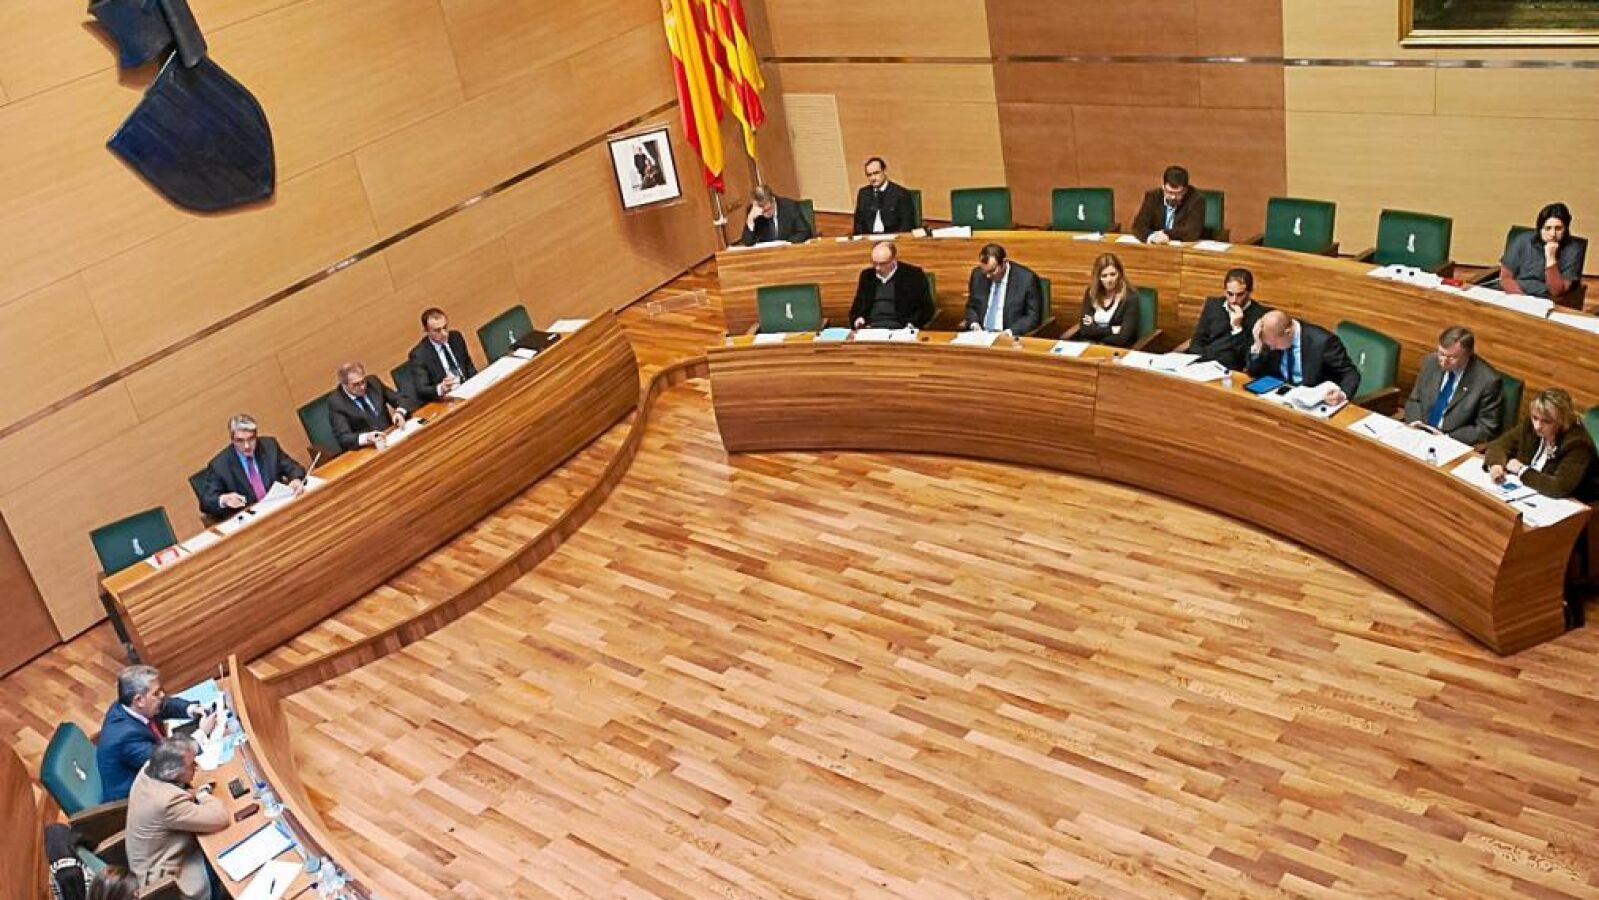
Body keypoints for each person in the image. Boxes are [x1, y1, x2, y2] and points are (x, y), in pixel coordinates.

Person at [126, 738, 228, 900]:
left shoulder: (149, 769)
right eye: (191, 765)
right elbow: (220, 818)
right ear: (174, 773)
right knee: (227, 851)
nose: (197, 767)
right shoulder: (166, 802)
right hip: (169, 880)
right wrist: (203, 794)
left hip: (156, 858)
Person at [96, 665, 213, 803]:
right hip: (135, 800)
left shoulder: (132, 705)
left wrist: (192, 709)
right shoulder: (125, 737)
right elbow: (168, 762)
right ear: (139, 700)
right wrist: (202, 733)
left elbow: (164, 705)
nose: (162, 695)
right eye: (156, 693)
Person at [1486, 388, 1597, 500]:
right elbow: (1498, 445)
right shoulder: (1531, 425)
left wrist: (1521, 470)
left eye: (1546, 421)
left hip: (1573, 503)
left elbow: (1558, 488)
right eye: (1535, 418)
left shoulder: (1578, 444)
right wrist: (1496, 465)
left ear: (1562, 421)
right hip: (1530, 492)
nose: (1537, 426)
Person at [1402, 326, 1504, 444]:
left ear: (1468, 354)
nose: (1443, 361)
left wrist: (1447, 438)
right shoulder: (1430, 362)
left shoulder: (1487, 381)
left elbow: (1485, 428)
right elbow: (1415, 400)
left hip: (1452, 442)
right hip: (1418, 432)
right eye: (1441, 353)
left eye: (1451, 357)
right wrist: (1415, 423)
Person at [195, 414, 305, 518]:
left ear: (256, 436)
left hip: (281, 509)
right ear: (232, 440)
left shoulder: (269, 446)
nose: (247, 446)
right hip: (251, 519)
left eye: (251, 439)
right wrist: (224, 499)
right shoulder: (219, 465)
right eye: (240, 441)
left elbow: (295, 468)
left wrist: (295, 479)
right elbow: (206, 502)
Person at [1246, 310, 1360, 405]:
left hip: (1312, 401)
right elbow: (1253, 371)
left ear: (1288, 333)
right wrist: (1257, 345)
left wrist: (1342, 394)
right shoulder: (1271, 336)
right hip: (1279, 397)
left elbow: (1350, 373)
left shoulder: (1323, 342)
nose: (1271, 348)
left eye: (1274, 345)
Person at [1189, 268, 1270, 372]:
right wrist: (1197, 361)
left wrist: (1237, 328)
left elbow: (1246, 356)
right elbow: (1198, 339)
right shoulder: (1213, 305)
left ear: (1250, 292)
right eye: (1230, 294)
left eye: (1240, 294)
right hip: (1203, 363)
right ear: (1224, 290)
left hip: (1231, 369)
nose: (1234, 300)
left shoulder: (1259, 315)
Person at [1500, 202, 1584, 301]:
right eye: (1548, 228)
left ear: (1565, 229)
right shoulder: (1522, 240)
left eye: (1558, 228)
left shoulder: (1574, 249)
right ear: (1540, 228)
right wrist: (1520, 299)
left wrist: (1551, 258)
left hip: (1546, 298)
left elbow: (1556, 291)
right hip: (1515, 293)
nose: (1553, 234)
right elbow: (1505, 278)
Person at [848, 241, 934, 329]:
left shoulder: (913, 274)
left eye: (883, 264)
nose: (877, 268)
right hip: (871, 327)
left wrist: (912, 324)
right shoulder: (867, 275)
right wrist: (858, 319)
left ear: (894, 259)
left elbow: (926, 309)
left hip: (901, 327)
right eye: (874, 263)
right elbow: (857, 306)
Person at [963, 243, 1044, 336]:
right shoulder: (977, 275)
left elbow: (1032, 317)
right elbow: (971, 306)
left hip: (1009, 336)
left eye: (992, 271)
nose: (988, 276)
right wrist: (974, 323)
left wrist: (1009, 332)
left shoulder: (1027, 279)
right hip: (980, 335)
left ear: (1004, 262)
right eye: (985, 271)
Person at [326, 361, 408, 451]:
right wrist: (366, 438)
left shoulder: (373, 382)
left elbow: (402, 399)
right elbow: (343, 437)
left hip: (392, 437)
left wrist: (400, 412)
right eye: (356, 384)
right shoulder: (336, 402)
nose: (362, 387)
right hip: (368, 449)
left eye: (363, 381)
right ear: (344, 385)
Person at [406, 307, 479, 404]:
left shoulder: (456, 337)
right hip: (448, 399)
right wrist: (441, 388)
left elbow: (468, 365)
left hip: (470, 389)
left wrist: (476, 382)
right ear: (426, 331)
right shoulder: (419, 354)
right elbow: (422, 389)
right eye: (437, 330)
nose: (444, 334)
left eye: (445, 327)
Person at [1075, 253, 1141, 348]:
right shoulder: (1091, 293)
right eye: (1104, 276)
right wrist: (1113, 330)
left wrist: (1097, 333)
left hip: (1115, 349)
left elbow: (1124, 337)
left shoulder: (1130, 298)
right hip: (1090, 345)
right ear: (1098, 277)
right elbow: (1085, 330)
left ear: (1120, 274)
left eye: (1113, 274)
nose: (1109, 280)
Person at [1130, 165, 1206, 244]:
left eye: (1178, 193)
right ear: (1163, 187)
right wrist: (1152, 237)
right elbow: (1138, 226)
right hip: (1155, 246)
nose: (1173, 197)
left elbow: (1192, 232)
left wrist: (1165, 234)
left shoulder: (1196, 200)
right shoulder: (1153, 197)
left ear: (1185, 190)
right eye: (1169, 192)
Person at [851, 157, 916, 235]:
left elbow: (906, 226)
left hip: (892, 237)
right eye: (869, 175)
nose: (873, 178)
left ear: (884, 171)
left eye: (876, 173)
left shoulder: (901, 194)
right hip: (868, 237)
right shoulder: (863, 193)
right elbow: (858, 224)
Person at [740, 184, 813, 245]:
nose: (765, 214)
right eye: (762, 211)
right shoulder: (754, 212)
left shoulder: (789, 206)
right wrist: (750, 220)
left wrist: (788, 243)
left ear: (773, 199)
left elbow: (805, 232)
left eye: (768, 209)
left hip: (789, 251)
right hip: (767, 254)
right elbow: (747, 242)